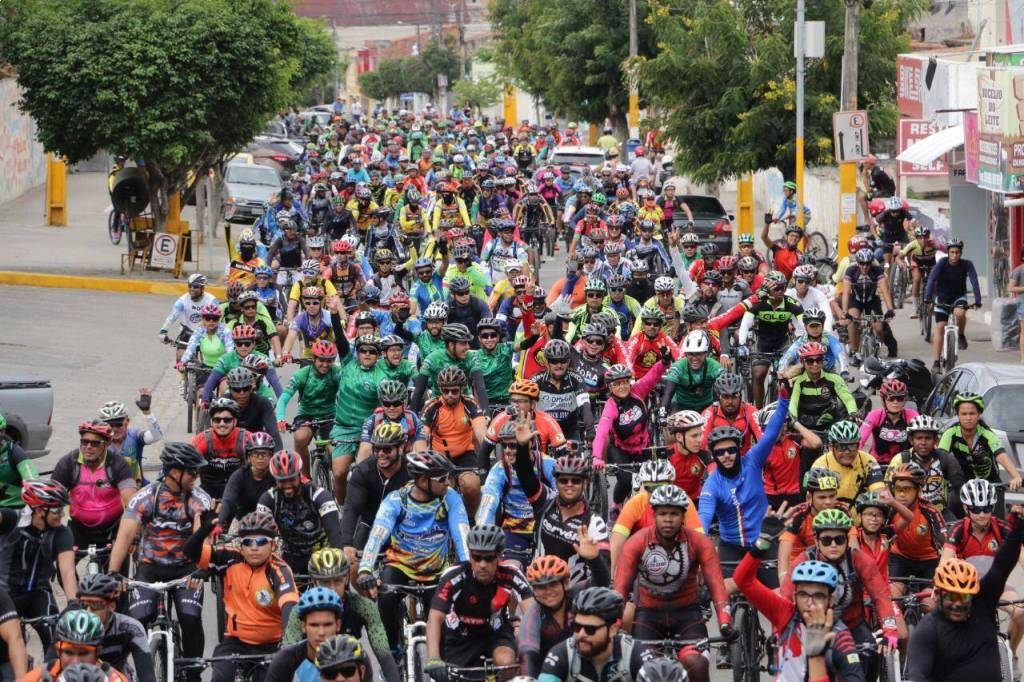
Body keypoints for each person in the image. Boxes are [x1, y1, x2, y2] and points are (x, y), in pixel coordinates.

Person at [108, 443, 211, 681]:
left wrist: (203, 568)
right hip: (150, 569)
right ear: (174, 472)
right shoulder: (145, 497)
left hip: (186, 570)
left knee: (190, 619)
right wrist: (113, 572)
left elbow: (203, 536)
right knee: (138, 621)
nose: (196, 476)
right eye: (192, 471)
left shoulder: (199, 499)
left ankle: (193, 673)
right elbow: (124, 536)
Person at [356, 451, 470, 654]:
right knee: (386, 598)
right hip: (400, 566)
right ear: (423, 480)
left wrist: (468, 566)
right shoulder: (396, 500)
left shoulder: (450, 498)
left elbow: (462, 533)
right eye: (442, 478)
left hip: (436, 571)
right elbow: (377, 535)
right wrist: (365, 569)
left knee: (446, 626)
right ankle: (393, 652)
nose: (448, 483)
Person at [614, 485, 730, 682]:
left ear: (684, 516)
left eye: (674, 514)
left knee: (697, 665)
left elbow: (717, 585)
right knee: (644, 669)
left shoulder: (699, 542)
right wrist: (615, 623)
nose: (668, 519)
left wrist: (725, 621)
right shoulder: (636, 542)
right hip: (648, 616)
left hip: (688, 615)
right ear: (653, 515)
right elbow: (621, 589)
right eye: (662, 514)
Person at [781, 509, 898, 679]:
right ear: (816, 540)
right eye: (826, 540)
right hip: (811, 627)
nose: (833, 545)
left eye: (840, 539)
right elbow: (785, 599)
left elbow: (881, 595)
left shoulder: (859, 559)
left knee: (872, 655)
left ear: (847, 540)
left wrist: (890, 629)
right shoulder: (804, 560)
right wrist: (782, 632)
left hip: (853, 625)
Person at [184, 510, 298, 681]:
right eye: (248, 542)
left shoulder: (279, 570)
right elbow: (191, 552)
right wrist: (203, 531)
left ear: (273, 544)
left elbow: (290, 606)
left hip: (271, 645)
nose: (254, 547)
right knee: (220, 678)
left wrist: (287, 645)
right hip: (235, 641)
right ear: (241, 546)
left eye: (261, 541)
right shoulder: (229, 558)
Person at [905, 521, 1024, 682]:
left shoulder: (982, 606)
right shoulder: (927, 630)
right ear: (938, 594)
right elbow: (917, 674)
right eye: (951, 597)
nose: (958, 604)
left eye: (964, 597)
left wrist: (1018, 525)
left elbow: (1002, 566)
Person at [698, 392, 789, 588]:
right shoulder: (712, 484)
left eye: (731, 450)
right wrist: (699, 543)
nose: (726, 456)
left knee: (778, 596)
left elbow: (771, 433)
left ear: (739, 449)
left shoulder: (752, 461)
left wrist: (784, 398)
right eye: (720, 452)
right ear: (713, 455)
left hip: (763, 542)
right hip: (732, 549)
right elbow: (703, 518)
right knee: (721, 595)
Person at [733, 548, 865, 681]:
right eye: (803, 594)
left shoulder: (840, 637)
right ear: (794, 597)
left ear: (830, 600)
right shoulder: (785, 612)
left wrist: (817, 657)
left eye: (818, 596)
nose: (809, 602)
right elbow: (742, 580)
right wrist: (758, 548)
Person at [424, 525, 533, 681]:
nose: (482, 564)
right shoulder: (453, 576)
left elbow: (533, 614)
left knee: (506, 663)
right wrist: (434, 658)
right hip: (460, 636)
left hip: (495, 632)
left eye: (489, 558)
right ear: (470, 557)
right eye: (477, 558)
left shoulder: (511, 574)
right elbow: (434, 619)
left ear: (499, 557)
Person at [278, 549, 400, 682]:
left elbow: (384, 654)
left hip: (349, 666)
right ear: (314, 581)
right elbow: (286, 660)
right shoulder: (298, 611)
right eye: (325, 582)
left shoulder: (363, 606)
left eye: (337, 581)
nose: (332, 589)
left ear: (346, 578)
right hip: (314, 668)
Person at [941, 478, 1024, 655]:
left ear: (992, 508)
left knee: (1020, 613)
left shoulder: (1002, 528)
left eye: (986, 509)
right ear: (966, 508)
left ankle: (1011, 654)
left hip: (996, 586)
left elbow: (1022, 555)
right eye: (976, 509)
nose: (982, 514)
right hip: (965, 588)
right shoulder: (957, 529)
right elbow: (945, 561)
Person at [1, 479, 77, 650]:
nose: (62, 515)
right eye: (57, 510)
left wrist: (73, 601)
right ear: (40, 510)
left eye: (62, 509)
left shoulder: (62, 533)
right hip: (5, 594)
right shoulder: (11, 519)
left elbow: (68, 570)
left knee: (59, 644)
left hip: (39, 594)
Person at [593, 356, 670, 509]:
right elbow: (601, 432)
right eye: (617, 384)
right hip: (620, 449)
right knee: (626, 480)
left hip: (643, 447)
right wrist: (596, 457)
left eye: (625, 382)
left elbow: (653, 375)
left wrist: (664, 362)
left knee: (653, 479)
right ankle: (616, 507)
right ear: (610, 387)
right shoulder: (611, 406)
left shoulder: (638, 391)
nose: (622, 386)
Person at [51, 421, 136, 553]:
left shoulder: (118, 464)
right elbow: (52, 499)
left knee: (118, 564)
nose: (88, 447)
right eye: (84, 442)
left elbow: (132, 504)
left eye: (95, 443)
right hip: (78, 528)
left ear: (106, 444)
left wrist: (133, 537)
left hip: (112, 528)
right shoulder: (68, 463)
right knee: (64, 563)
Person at [256, 450, 343, 574]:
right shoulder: (268, 499)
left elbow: (334, 533)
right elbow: (261, 535)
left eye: (291, 479)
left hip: (321, 554)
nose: (287, 486)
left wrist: (338, 563)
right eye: (282, 481)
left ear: (299, 476)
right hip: (291, 555)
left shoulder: (319, 495)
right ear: (276, 480)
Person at [538, 587, 647, 682]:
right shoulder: (561, 654)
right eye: (577, 627)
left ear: (612, 630)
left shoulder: (635, 653)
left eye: (590, 629)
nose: (581, 634)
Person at [421, 366, 489, 516]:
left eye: (454, 391)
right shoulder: (432, 407)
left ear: (462, 389)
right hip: (440, 457)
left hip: (465, 454)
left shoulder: (470, 404)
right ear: (440, 390)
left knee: (472, 486)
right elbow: (422, 437)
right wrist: (421, 460)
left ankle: (471, 519)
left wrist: (485, 456)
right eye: (445, 391)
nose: (450, 395)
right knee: (446, 489)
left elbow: (481, 433)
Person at [69, 573, 155, 682]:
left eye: (96, 605)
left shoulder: (131, 628)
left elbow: (147, 677)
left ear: (112, 606)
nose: (88, 612)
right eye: (83, 605)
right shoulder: (68, 626)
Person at [275, 340, 342, 471]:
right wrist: (280, 419)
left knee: (335, 454)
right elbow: (283, 399)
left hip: (330, 415)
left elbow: (347, 392)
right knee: (300, 438)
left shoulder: (336, 372)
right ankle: (305, 475)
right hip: (306, 415)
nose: (325, 365)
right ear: (313, 359)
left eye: (329, 361)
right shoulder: (302, 375)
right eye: (321, 360)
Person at [939, 393, 1021, 491]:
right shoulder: (950, 433)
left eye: (972, 413)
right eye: (964, 414)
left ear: (978, 415)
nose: (968, 418)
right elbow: (940, 457)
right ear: (958, 415)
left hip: (990, 485)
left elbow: (1001, 455)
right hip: (962, 486)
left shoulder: (987, 434)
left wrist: (1016, 477)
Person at [22, 610, 130, 681]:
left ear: (98, 652)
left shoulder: (115, 679)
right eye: (69, 652)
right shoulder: (39, 677)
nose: (75, 662)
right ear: (58, 651)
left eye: (83, 653)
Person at [265, 587, 345, 682]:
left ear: (338, 625)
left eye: (327, 625)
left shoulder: (354, 658)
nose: (321, 632)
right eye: (314, 625)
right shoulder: (284, 661)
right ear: (303, 626)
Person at [811, 420, 885, 509]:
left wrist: (866, 500)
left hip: (860, 513)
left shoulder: (868, 461)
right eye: (841, 447)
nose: (847, 452)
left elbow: (880, 492)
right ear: (831, 446)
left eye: (852, 446)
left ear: (858, 445)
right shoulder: (821, 464)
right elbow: (815, 500)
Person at [788, 343, 858, 437]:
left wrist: (853, 413)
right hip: (806, 426)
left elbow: (848, 399)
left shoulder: (834, 378)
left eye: (818, 360)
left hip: (830, 423)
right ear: (802, 362)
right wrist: (793, 421)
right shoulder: (798, 381)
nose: (815, 364)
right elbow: (793, 402)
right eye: (810, 361)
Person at [841, 247, 896, 363]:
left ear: (871, 262)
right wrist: (845, 312)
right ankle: (855, 352)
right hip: (856, 299)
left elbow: (885, 291)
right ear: (857, 262)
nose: (865, 266)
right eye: (862, 263)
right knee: (853, 322)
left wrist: (890, 309)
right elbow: (846, 293)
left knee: (879, 327)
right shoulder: (851, 271)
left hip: (872, 300)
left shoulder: (877, 270)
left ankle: (878, 349)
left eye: (868, 263)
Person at [98, 394, 163, 486]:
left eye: (119, 424)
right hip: (110, 489)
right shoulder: (98, 442)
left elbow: (157, 436)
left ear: (127, 422)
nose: (115, 429)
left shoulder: (134, 435)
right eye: (110, 426)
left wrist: (148, 413)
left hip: (137, 488)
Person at [190, 397, 247, 500]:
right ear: (211, 422)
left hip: (239, 493)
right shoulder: (201, 440)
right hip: (209, 494)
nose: (222, 424)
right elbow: (189, 470)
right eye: (217, 420)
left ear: (235, 421)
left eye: (227, 420)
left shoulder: (246, 439)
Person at [217, 432, 275, 530]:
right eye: (256, 454)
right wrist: (219, 524)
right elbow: (227, 501)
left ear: (271, 456)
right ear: (248, 457)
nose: (260, 458)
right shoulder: (239, 475)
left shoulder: (276, 476)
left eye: (264, 454)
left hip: (271, 522)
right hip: (242, 522)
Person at [659, 331, 722, 415]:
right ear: (686, 354)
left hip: (706, 406)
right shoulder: (679, 366)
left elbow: (725, 383)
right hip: (681, 406)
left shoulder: (713, 365)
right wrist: (662, 414)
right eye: (690, 354)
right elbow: (668, 393)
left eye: (698, 354)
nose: (694, 358)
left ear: (706, 353)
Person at [159, 273, 218, 361]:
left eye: (195, 286)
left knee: (209, 361)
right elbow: (172, 317)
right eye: (190, 286)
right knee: (180, 358)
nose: (192, 289)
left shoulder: (212, 300)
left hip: (205, 332)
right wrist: (163, 331)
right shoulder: (182, 301)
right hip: (187, 332)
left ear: (202, 288)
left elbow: (219, 318)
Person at [0, 411, 37, 508]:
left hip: (14, 508)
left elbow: (29, 471)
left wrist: (31, 483)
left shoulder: (14, 451)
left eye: (1, 431)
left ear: (3, 432)